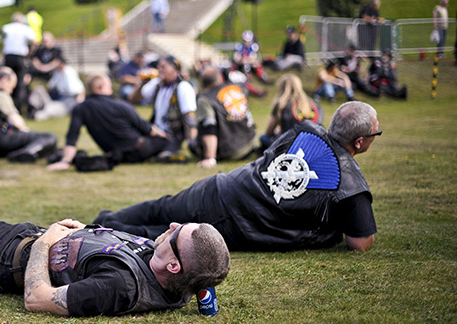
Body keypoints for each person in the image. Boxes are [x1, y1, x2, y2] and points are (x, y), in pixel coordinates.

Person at [95, 101, 381, 252]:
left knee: (161, 207)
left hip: (221, 185)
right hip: (239, 221)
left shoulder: (304, 129)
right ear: (359, 141)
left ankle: (101, 222)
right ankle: (96, 232)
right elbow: (359, 243)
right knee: (162, 233)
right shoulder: (351, 186)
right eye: (375, 133)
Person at [0, 197, 231, 317]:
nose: (171, 225)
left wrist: (45, 243)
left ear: (173, 266)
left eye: (177, 233)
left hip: (8, 257)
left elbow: (37, 300)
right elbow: (206, 279)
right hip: (30, 239)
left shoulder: (119, 287)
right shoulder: (181, 277)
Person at [48, 74, 170, 170]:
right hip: (140, 151)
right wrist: (162, 134)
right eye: (109, 86)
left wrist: (65, 162)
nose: (111, 88)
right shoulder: (120, 105)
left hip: (116, 156)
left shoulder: (81, 108)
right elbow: (145, 128)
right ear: (101, 87)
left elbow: (72, 137)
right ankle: (168, 152)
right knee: (167, 140)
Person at [129, 56, 197, 161]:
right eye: (159, 67)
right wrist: (142, 82)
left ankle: (170, 154)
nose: (159, 69)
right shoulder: (157, 84)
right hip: (155, 132)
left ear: (174, 69)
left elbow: (189, 116)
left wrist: (192, 142)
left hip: (170, 136)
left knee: (141, 148)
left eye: (163, 67)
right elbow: (134, 99)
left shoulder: (183, 87)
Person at [191, 67, 255, 169]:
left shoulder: (205, 99)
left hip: (231, 151)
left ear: (202, 83)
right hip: (250, 143)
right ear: (220, 78)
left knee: (192, 143)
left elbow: (209, 127)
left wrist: (210, 158)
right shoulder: (236, 88)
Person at [259, 74, 322, 152]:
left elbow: (268, 132)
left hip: (289, 146)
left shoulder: (282, 105)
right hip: (313, 145)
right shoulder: (314, 104)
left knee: (263, 138)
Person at [2, 13, 36, 114]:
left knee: (6, 81)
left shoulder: (6, 28)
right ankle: (19, 109)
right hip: (20, 57)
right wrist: (29, 54)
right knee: (20, 83)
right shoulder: (24, 28)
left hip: (8, 57)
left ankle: (8, 107)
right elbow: (34, 42)